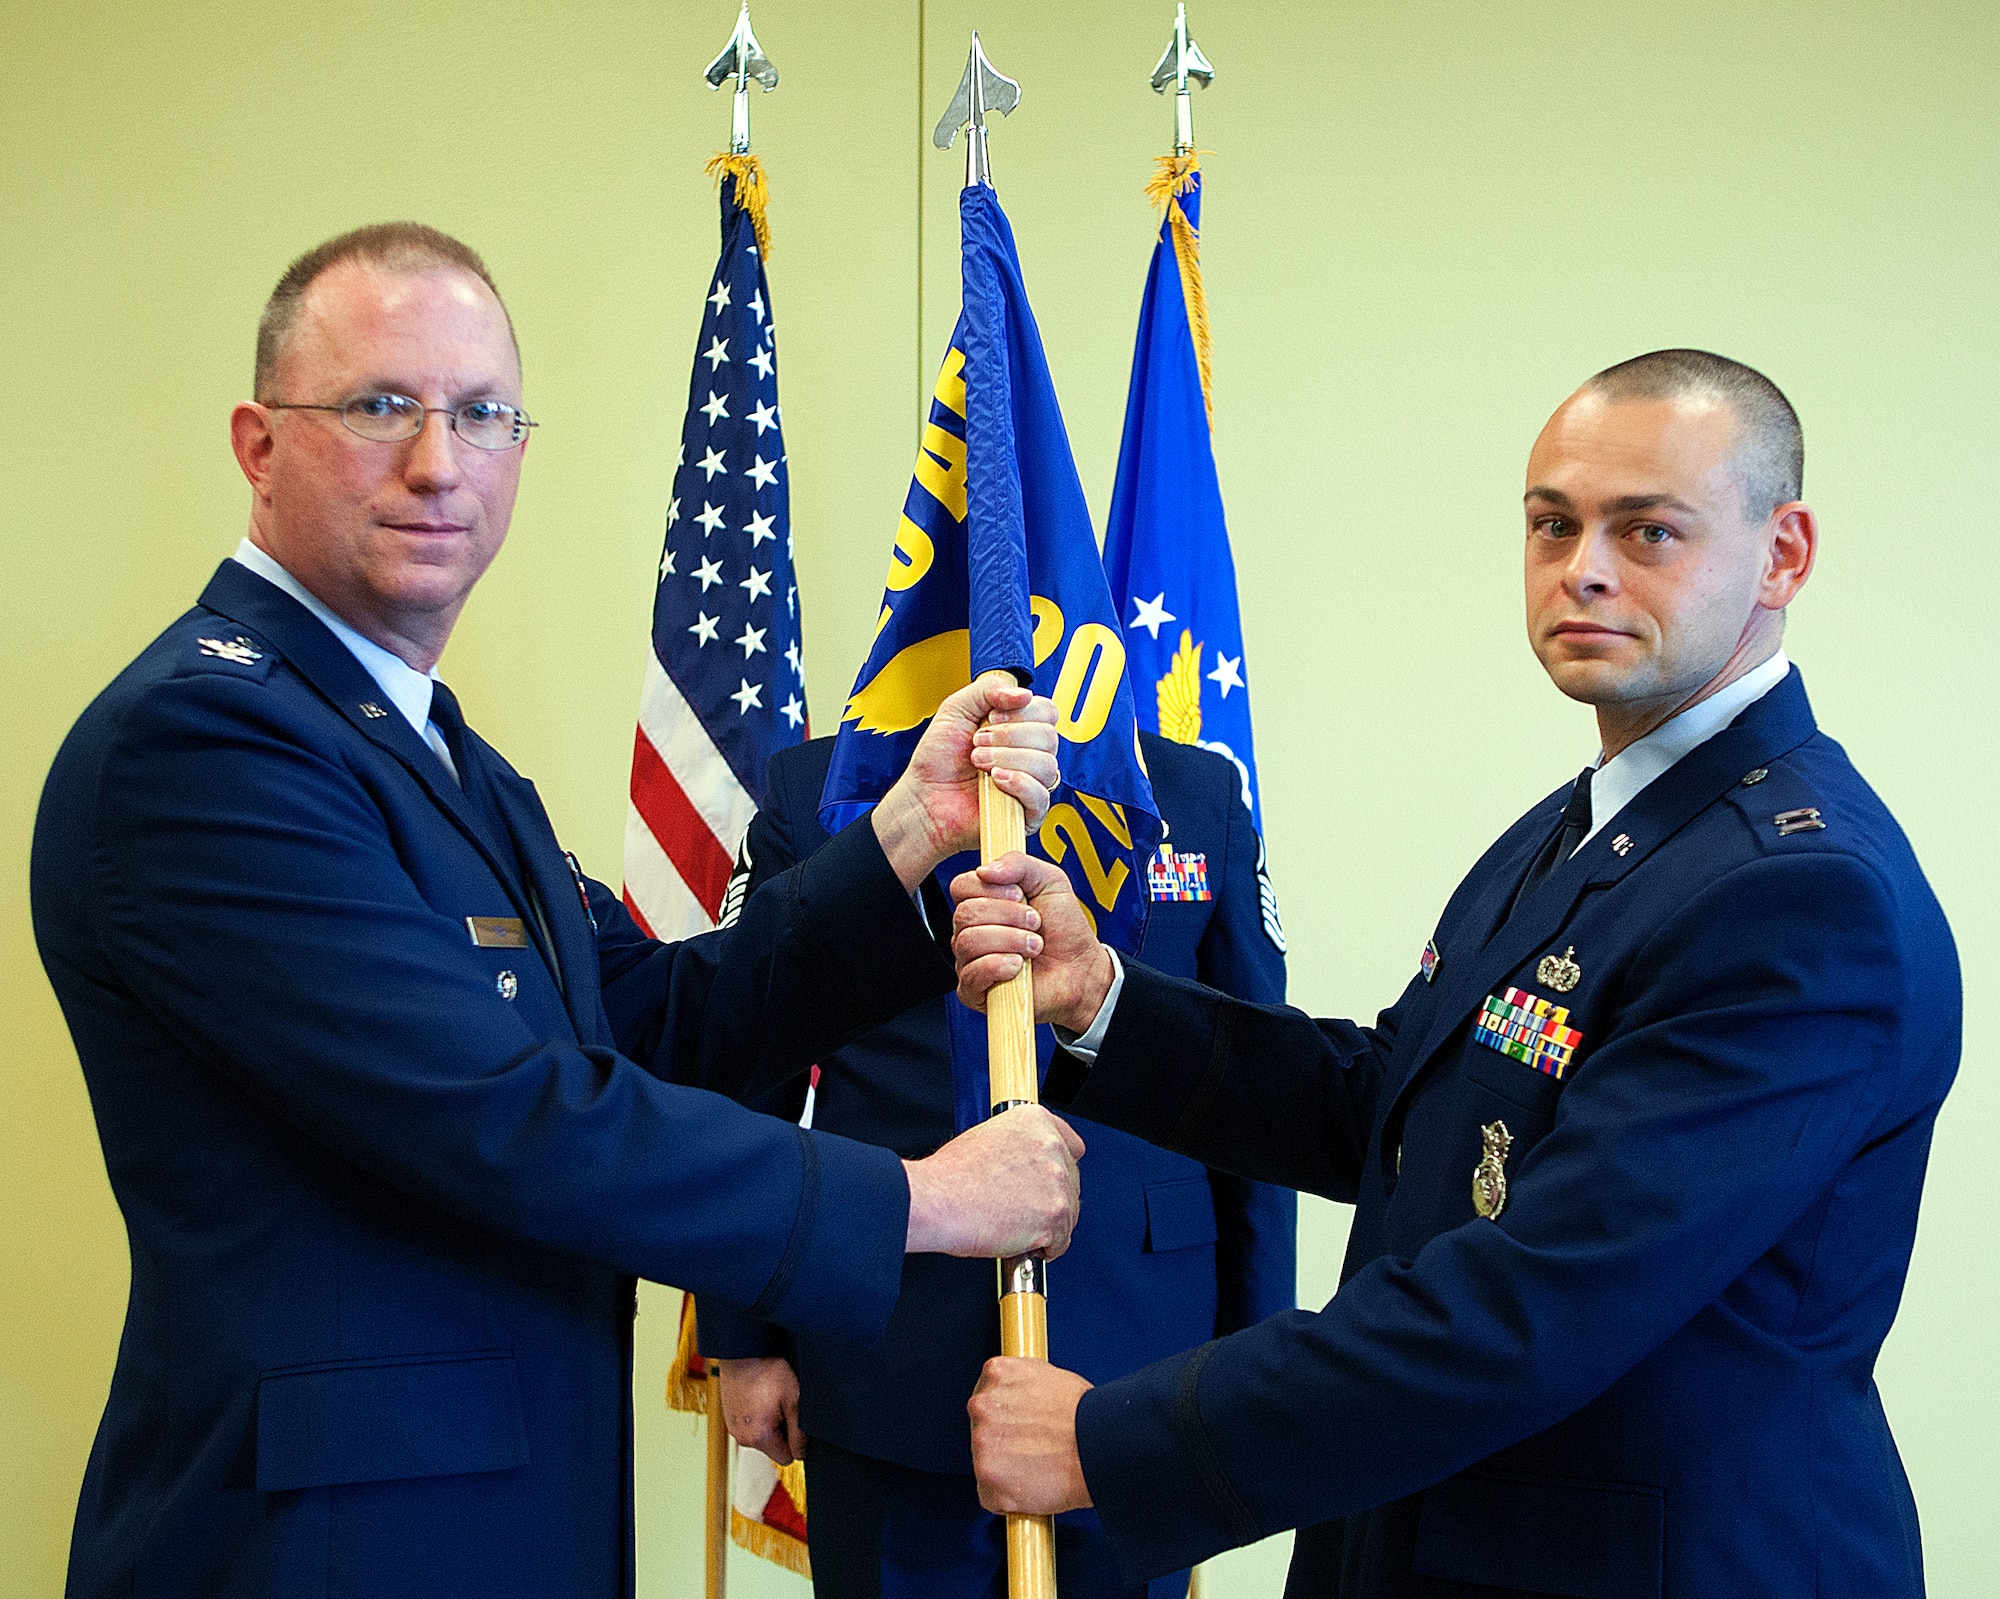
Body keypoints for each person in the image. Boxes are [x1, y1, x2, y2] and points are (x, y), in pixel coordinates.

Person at [29, 221, 1086, 1599]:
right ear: (257, 441)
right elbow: (504, 1113)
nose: (436, 462)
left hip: (496, 1511)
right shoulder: (203, 748)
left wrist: (904, 834)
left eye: (481, 414)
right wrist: (919, 1199)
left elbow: (646, 1021)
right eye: (378, 406)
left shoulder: (441, 756)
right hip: (331, 1545)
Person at [950, 350, 1960, 1599]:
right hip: (1454, 1530)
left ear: (1782, 553)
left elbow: (1534, 1302)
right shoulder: (1597, 822)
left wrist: (1111, 1439)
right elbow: (1403, 1106)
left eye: (1646, 529)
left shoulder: (1796, 897)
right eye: (1552, 523)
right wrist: (1098, 996)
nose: (1581, 566)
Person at [702, 731, 1296, 1599]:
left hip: (1138, 1368)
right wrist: (742, 1339)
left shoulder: (1198, 794)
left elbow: (1255, 1087)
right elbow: (743, 1071)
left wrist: (1257, 1354)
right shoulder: (821, 788)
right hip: (886, 1363)